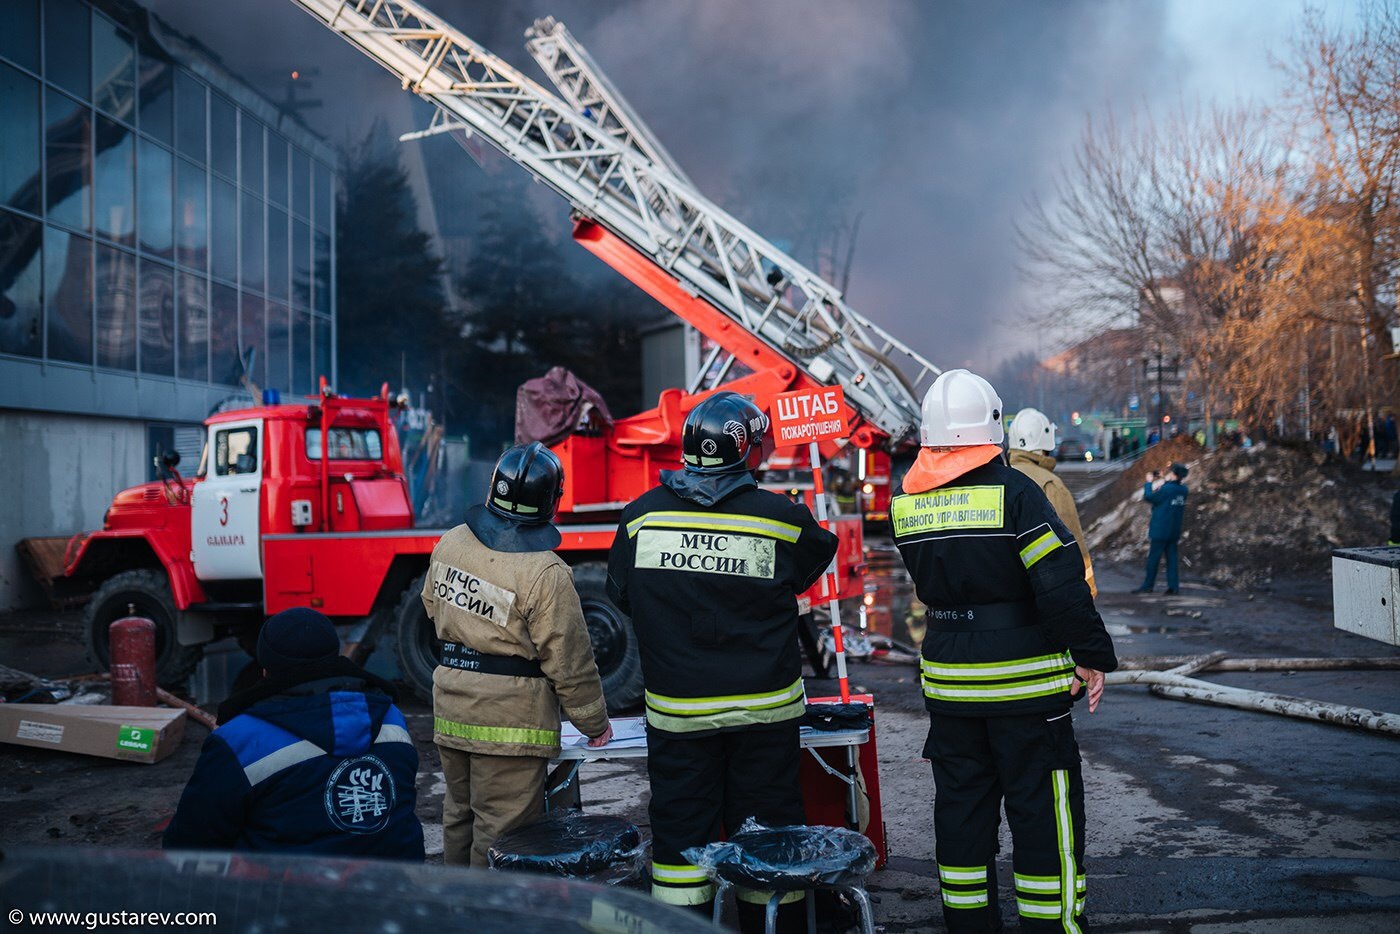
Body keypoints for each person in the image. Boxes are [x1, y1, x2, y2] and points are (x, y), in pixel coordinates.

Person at [889, 369, 1117, 933]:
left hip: (949, 686)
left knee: (962, 814)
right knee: (1043, 814)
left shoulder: (906, 500)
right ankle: (1051, 925)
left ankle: (968, 926)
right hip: (1025, 689)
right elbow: (1059, 583)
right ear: (991, 426)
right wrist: (1090, 654)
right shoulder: (1017, 494)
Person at [606, 391, 837, 929]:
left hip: (678, 714)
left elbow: (621, 595)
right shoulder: (782, 518)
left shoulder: (640, 519)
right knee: (770, 838)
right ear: (746, 451)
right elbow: (810, 565)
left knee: (680, 840)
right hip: (765, 714)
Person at [423, 442, 613, 867]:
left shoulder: (451, 543)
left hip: (451, 707)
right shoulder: (544, 571)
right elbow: (569, 660)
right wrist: (593, 723)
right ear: (551, 501)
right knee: (502, 835)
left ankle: (451, 911)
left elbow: (432, 607)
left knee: (458, 818)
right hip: (509, 724)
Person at [164, 607, 424, 858]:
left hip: (290, 895)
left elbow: (190, 841)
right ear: (334, 657)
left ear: (265, 670)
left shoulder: (238, 741)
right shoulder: (390, 716)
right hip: (392, 889)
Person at [1007, 407, 1097, 597]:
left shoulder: (1001, 479)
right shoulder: (1051, 484)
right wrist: (1088, 591)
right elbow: (1073, 545)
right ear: (1045, 442)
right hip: (1045, 593)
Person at [1133, 462, 1190, 595]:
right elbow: (1169, 494)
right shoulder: (1183, 490)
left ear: (1174, 474)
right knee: (1172, 560)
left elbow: (1149, 497)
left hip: (1160, 530)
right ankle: (1173, 587)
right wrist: (1165, 480)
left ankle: (1148, 585)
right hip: (1174, 531)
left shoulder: (1167, 489)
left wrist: (1148, 483)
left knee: (1153, 560)